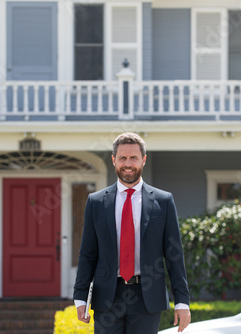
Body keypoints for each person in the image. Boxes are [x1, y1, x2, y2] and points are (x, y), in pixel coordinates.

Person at [73, 132, 191, 334]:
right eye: (123, 158)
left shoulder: (163, 201)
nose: (128, 163)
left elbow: (174, 255)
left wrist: (182, 301)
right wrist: (80, 296)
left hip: (146, 297)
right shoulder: (96, 202)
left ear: (143, 160)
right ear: (114, 161)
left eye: (134, 158)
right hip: (107, 296)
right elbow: (88, 254)